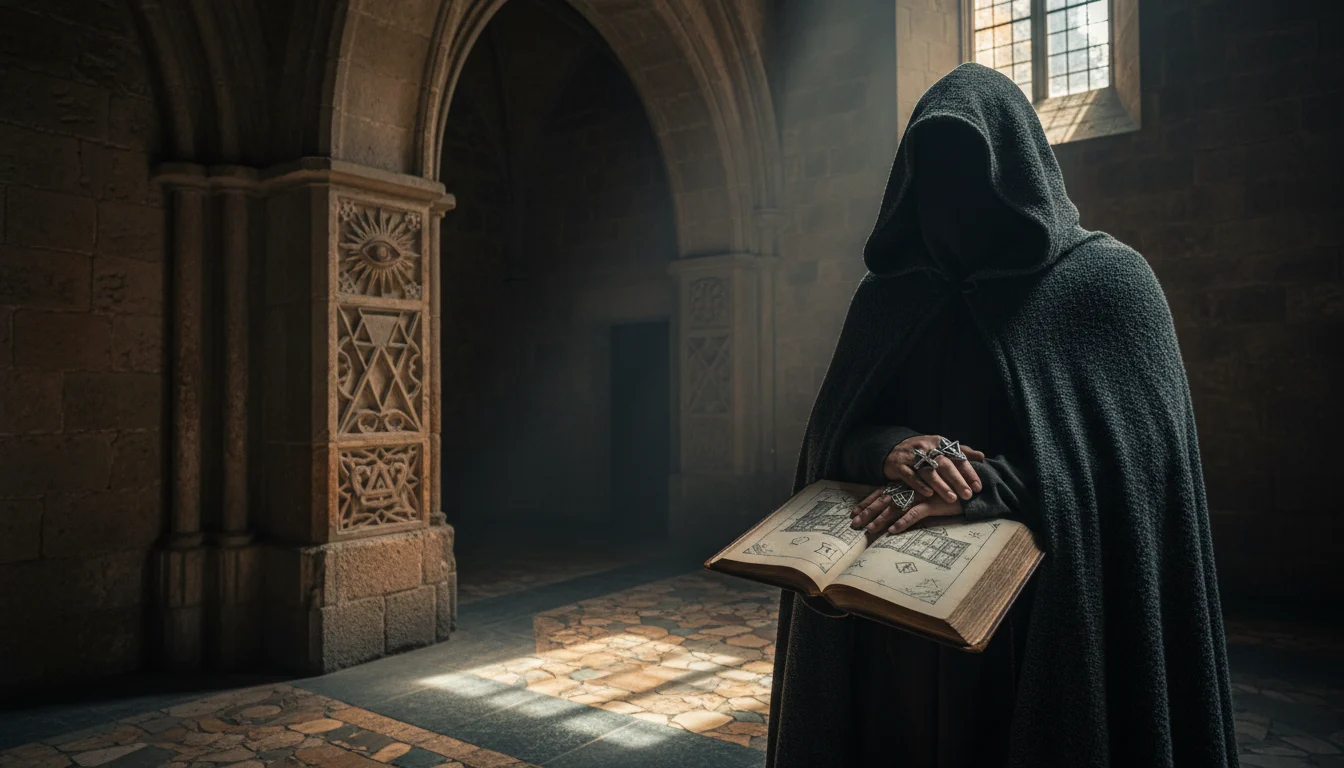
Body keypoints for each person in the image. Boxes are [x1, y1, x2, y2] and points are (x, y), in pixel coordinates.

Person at [766, 63, 1239, 768]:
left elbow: (1137, 471)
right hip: (885, 635)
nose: (951, 198)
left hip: (1038, 624)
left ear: (1017, 171)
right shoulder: (889, 298)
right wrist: (892, 451)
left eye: (971, 172)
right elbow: (836, 437)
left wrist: (990, 487)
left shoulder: (1107, 285)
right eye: (933, 173)